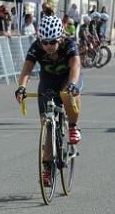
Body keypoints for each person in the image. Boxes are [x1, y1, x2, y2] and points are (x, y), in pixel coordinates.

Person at [14, 15, 82, 187]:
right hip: (48, 82)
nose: (48, 46)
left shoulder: (69, 45)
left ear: (60, 38)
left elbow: (75, 65)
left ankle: (73, 126)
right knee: (47, 124)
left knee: (67, 94)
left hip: (68, 78)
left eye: (52, 42)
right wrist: (21, 87)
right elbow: (27, 70)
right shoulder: (37, 47)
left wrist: (73, 84)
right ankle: (47, 168)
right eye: (45, 42)